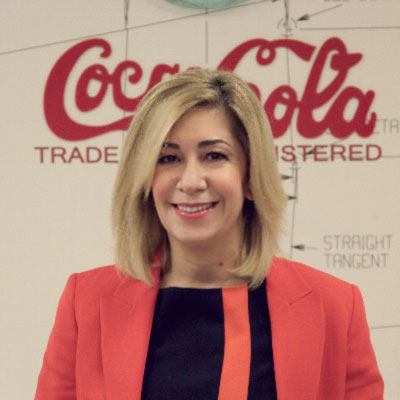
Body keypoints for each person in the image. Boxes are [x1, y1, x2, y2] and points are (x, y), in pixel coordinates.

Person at [35, 68, 384, 400]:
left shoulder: (335, 306)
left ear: (251, 177)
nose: (190, 182)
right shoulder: (85, 303)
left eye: (214, 155)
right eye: (168, 158)